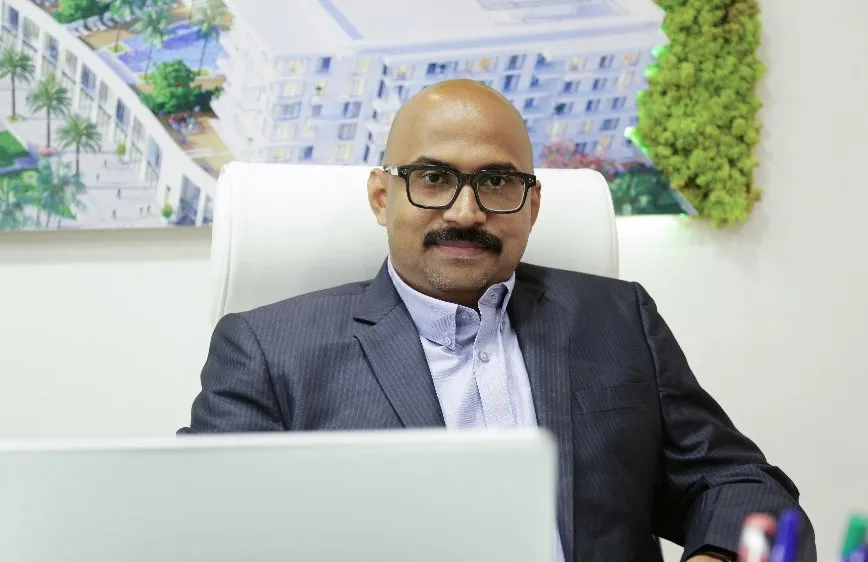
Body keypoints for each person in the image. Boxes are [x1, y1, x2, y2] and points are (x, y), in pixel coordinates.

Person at [180, 79, 815, 562]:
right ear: (382, 197)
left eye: (497, 182)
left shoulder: (617, 318)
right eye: (433, 178)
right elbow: (201, 531)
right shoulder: (267, 349)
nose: (466, 211)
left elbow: (739, 485)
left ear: (532, 204)